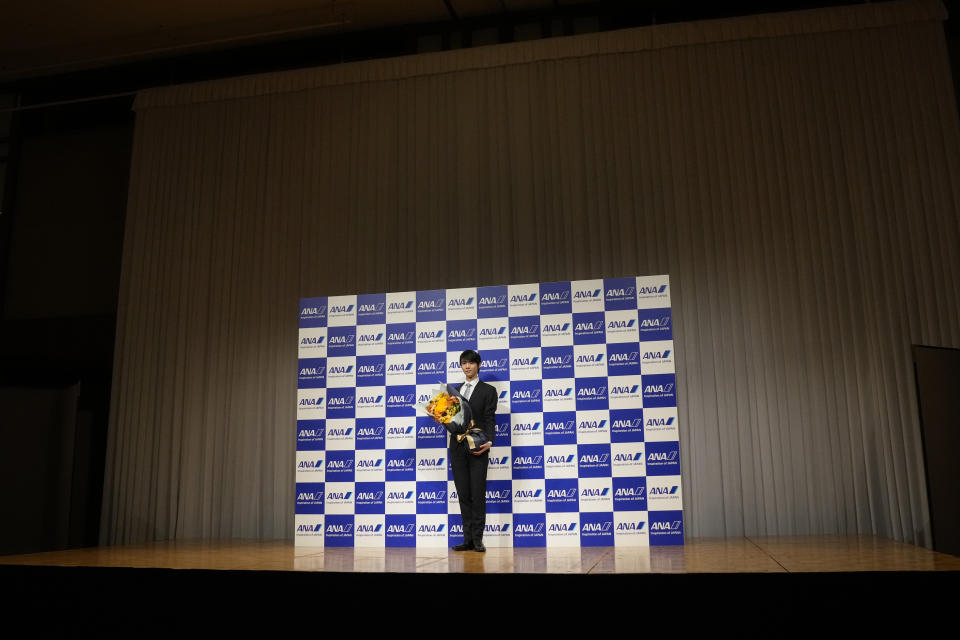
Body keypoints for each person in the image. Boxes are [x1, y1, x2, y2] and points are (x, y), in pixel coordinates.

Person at [450, 349, 498, 552]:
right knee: (463, 494)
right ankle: (467, 539)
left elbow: (489, 419)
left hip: (478, 447)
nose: (467, 366)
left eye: (471, 362)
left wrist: (489, 442)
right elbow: (451, 420)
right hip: (457, 448)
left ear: (478, 365)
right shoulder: (454, 391)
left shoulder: (488, 390)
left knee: (477, 494)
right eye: (463, 363)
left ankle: (478, 540)